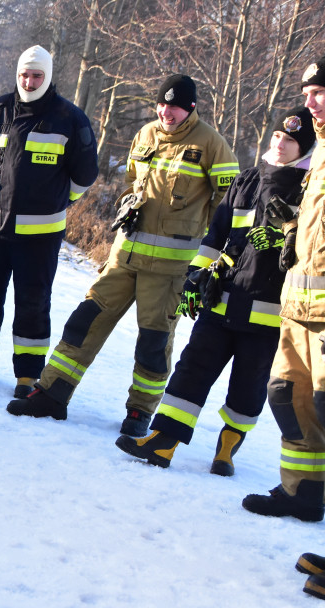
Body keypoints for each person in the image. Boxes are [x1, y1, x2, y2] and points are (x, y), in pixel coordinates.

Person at [7, 74, 239, 434]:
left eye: (175, 106)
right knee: (85, 321)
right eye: (162, 104)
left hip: (170, 269)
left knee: (153, 341)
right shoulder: (145, 134)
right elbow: (132, 182)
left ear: (191, 107)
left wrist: (208, 261)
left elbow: (230, 209)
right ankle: (51, 394)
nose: (167, 112)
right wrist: (127, 203)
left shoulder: (212, 144)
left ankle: (139, 412)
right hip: (124, 256)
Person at [116, 107, 314, 474]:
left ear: (305, 148)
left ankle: (226, 449)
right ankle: (162, 442)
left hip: (269, 314)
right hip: (220, 301)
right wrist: (194, 277)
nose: (281, 144)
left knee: (248, 386)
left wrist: (288, 236)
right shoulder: (248, 179)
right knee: (192, 369)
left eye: (290, 140)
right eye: (277, 136)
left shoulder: (310, 191)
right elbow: (216, 235)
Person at [0, 46, 98, 395]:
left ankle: (28, 375)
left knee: (33, 303)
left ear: (48, 76)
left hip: (39, 237)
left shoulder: (70, 120)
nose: (29, 81)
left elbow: (85, 176)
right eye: (24, 74)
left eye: (37, 75)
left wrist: (59, 200)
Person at [242, 58, 325, 523]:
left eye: (318, 92)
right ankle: (302, 493)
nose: (309, 101)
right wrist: (289, 228)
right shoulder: (322, 154)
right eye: (306, 91)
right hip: (297, 306)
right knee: (286, 395)